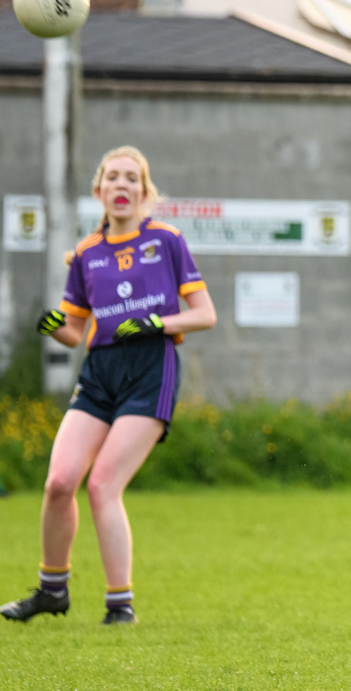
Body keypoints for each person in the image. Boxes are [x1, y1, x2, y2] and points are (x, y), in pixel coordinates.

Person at [1, 146, 216, 625]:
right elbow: (75, 331)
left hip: (149, 369)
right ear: (99, 191)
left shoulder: (167, 240)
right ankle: (52, 591)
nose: (122, 186)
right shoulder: (85, 254)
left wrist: (156, 322)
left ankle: (121, 606)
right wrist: (53, 324)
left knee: (102, 485)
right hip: (99, 373)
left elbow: (205, 314)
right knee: (59, 483)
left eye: (132, 178)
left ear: (144, 192)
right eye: (113, 178)